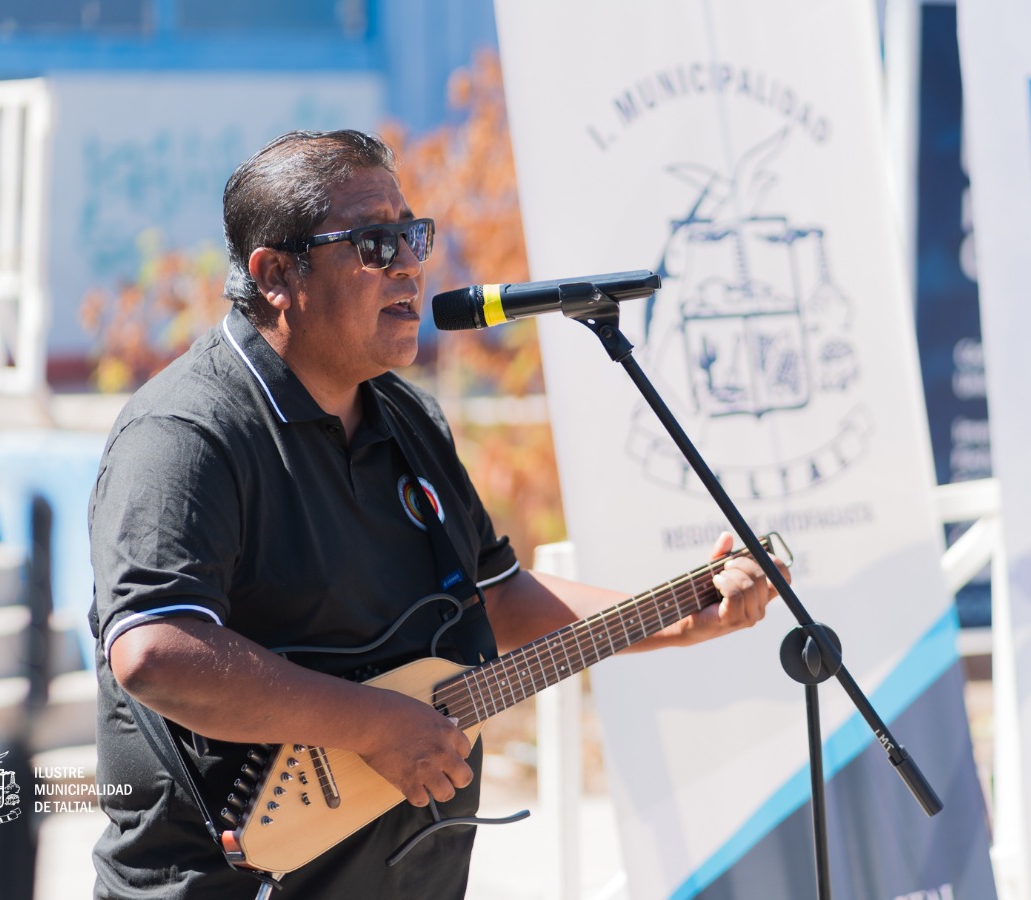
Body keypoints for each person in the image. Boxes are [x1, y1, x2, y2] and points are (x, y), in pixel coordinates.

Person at [86, 129, 784, 899]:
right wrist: (371, 725)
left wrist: (686, 615)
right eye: (375, 243)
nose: (413, 264)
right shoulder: (185, 435)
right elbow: (154, 650)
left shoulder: (409, 420)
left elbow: (497, 598)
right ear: (277, 274)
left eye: (413, 236)